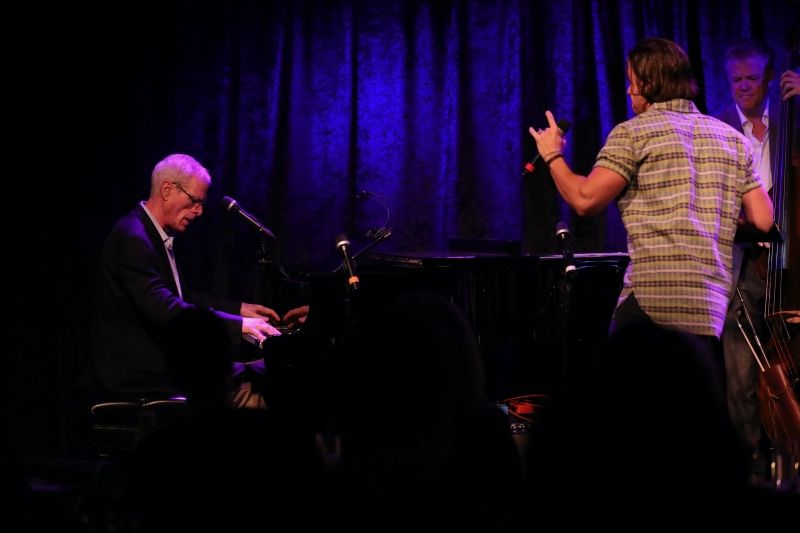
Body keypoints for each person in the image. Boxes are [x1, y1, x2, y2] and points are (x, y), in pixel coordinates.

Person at [528, 37, 775, 398]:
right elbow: (763, 220)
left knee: (623, 412)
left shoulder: (633, 133)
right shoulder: (730, 138)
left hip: (651, 303)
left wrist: (552, 156)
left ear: (647, 83)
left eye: (632, 81)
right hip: (709, 308)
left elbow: (584, 200)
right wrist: (712, 212)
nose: (629, 91)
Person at [83, 153, 307, 408]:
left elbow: (182, 296)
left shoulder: (151, 233)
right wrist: (240, 325)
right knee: (248, 385)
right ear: (167, 190)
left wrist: (238, 309)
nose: (199, 211)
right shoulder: (133, 238)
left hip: (156, 359)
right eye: (194, 201)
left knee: (253, 371)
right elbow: (166, 310)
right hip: (135, 369)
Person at [717, 39, 800, 480]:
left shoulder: (793, 117)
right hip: (746, 259)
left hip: (794, 262)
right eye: (736, 80)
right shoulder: (720, 130)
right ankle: (748, 471)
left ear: (768, 77)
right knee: (740, 370)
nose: (744, 87)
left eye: (752, 78)